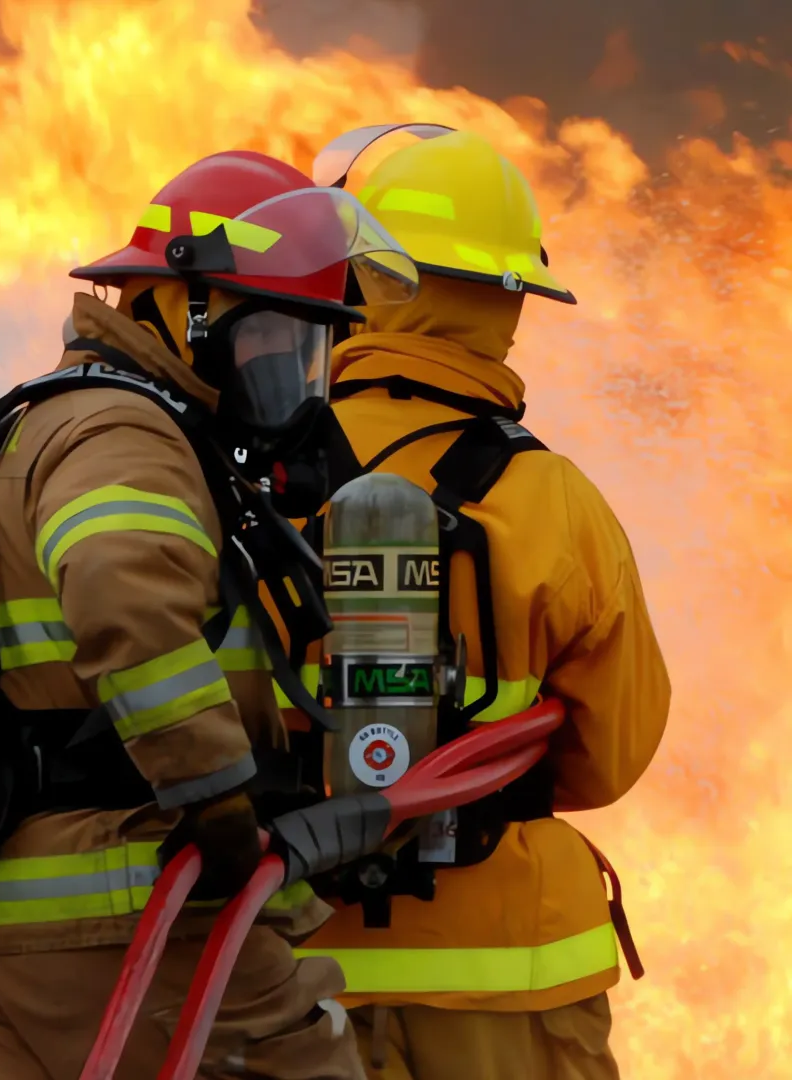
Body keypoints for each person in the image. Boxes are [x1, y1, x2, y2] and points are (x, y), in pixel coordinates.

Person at [0, 149, 420, 1080]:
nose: (287, 382)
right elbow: (123, 593)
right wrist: (218, 799)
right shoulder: (124, 430)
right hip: (126, 899)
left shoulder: (51, 420)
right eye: (270, 342)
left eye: (305, 355)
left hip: (14, 914)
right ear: (183, 313)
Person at [293, 125, 670, 1080]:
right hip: (519, 969)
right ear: (509, 301)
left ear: (359, 277)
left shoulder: (255, 478)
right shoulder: (554, 499)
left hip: (297, 965)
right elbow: (612, 750)